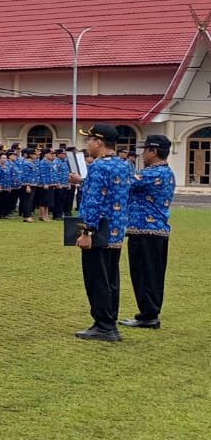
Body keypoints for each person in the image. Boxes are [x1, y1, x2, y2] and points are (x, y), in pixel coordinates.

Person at [71, 124, 131, 342]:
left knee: (96, 280)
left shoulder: (97, 167)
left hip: (98, 230)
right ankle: (110, 323)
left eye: (89, 140)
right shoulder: (124, 165)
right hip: (115, 230)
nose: (87, 144)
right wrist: (83, 182)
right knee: (111, 279)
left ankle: (103, 326)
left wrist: (86, 231)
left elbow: (94, 202)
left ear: (99, 142)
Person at [121, 134, 175, 330]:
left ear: (154, 151)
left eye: (146, 150)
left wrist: (83, 180)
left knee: (145, 274)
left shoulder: (153, 173)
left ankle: (148, 315)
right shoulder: (163, 172)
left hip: (146, 231)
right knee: (150, 274)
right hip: (153, 231)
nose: (143, 154)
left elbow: (122, 183)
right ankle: (149, 313)